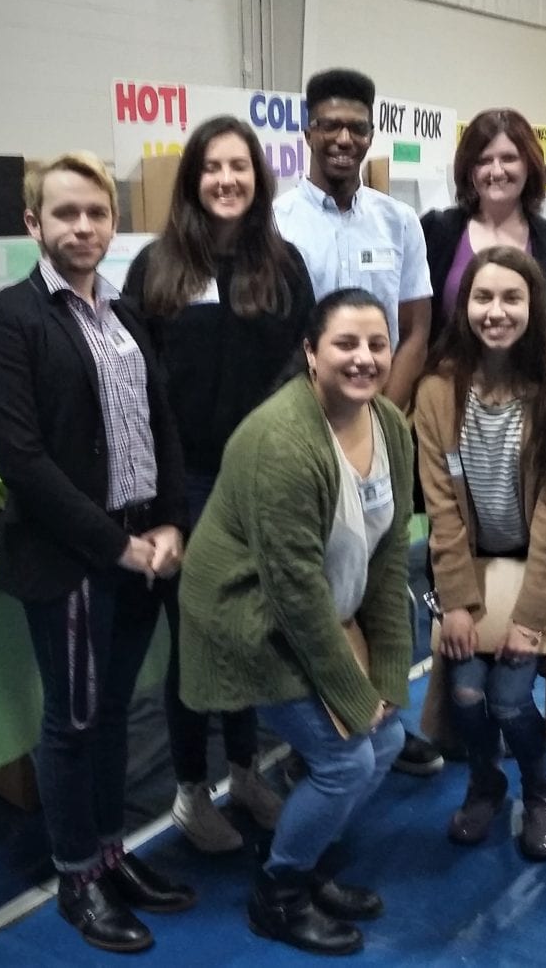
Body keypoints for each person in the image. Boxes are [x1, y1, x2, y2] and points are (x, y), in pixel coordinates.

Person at [0, 152, 195, 954]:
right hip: (73, 557)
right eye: (64, 213)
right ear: (34, 222)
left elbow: (161, 423)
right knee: (72, 720)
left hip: (141, 548)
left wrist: (170, 523)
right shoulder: (8, 319)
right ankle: (76, 876)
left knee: (113, 716)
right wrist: (117, 546)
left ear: (113, 221)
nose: (82, 227)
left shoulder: (125, 315)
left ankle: (110, 853)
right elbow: (24, 461)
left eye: (96, 213)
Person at [179, 289, 414, 954]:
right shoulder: (281, 440)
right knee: (345, 760)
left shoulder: (390, 425)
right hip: (248, 616)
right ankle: (277, 894)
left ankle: (304, 857)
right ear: (311, 353)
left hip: (322, 607)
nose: (364, 357)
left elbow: (391, 554)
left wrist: (388, 675)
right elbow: (294, 594)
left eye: (377, 344)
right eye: (345, 343)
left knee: (389, 739)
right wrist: (354, 694)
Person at [123, 115, 315, 853]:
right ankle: (189, 793)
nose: (227, 179)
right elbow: (137, 386)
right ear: (193, 180)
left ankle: (245, 773)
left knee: (247, 633)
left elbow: (301, 368)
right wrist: (160, 500)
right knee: (197, 640)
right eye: (212, 167)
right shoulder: (157, 268)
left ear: (258, 179)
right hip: (186, 487)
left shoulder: (283, 267)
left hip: (260, 484)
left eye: (240, 166)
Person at [274, 66, 440, 777]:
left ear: (371, 135)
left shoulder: (398, 221)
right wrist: (316, 431)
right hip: (303, 436)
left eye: (357, 127)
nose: (343, 138)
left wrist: (381, 420)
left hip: (377, 433)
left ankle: (386, 716)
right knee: (313, 585)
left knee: (381, 576)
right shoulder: (276, 222)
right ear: (307, 131)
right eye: (330, 125)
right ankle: (315, 741)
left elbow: (416, 328)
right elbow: (269, 338)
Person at [414, 246, 546, 860]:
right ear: (464, 305)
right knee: (466, 695)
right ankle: (485, 782)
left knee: (509, 698)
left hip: (540, 568)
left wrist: (529, 618)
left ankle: (541, 788)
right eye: (483, 297)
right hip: (473, 570)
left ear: (534, 306)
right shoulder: (438, 391)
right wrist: (457, 602)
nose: (496, 311)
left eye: (511, 298)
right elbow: (442, 507)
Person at [420, 107, 546, 378]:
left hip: (539, 397)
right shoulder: (436, 233)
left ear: (529, 165)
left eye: (509, 158)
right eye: (483, 160)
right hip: (450, 394)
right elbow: (413, 328)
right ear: (469, 169)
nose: (496, 171)